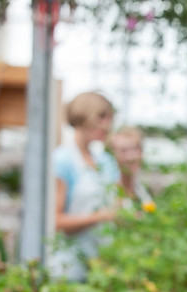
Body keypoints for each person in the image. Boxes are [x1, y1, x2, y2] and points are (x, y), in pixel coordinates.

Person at [48, 91, 120, 281]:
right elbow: (55, 221)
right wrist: (100, 216)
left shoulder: (105, 161)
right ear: (83, 115)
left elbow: (118, 202)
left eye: (110, 118)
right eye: (102, 117)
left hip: (104, 261)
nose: (107, 125)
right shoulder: (62, 160)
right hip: (69, 265)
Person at [108, 125, 154, 208]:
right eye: (124, 150)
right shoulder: (107, 191)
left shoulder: (141, 190)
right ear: (112, 155)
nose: (131, 157)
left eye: (135, 149)